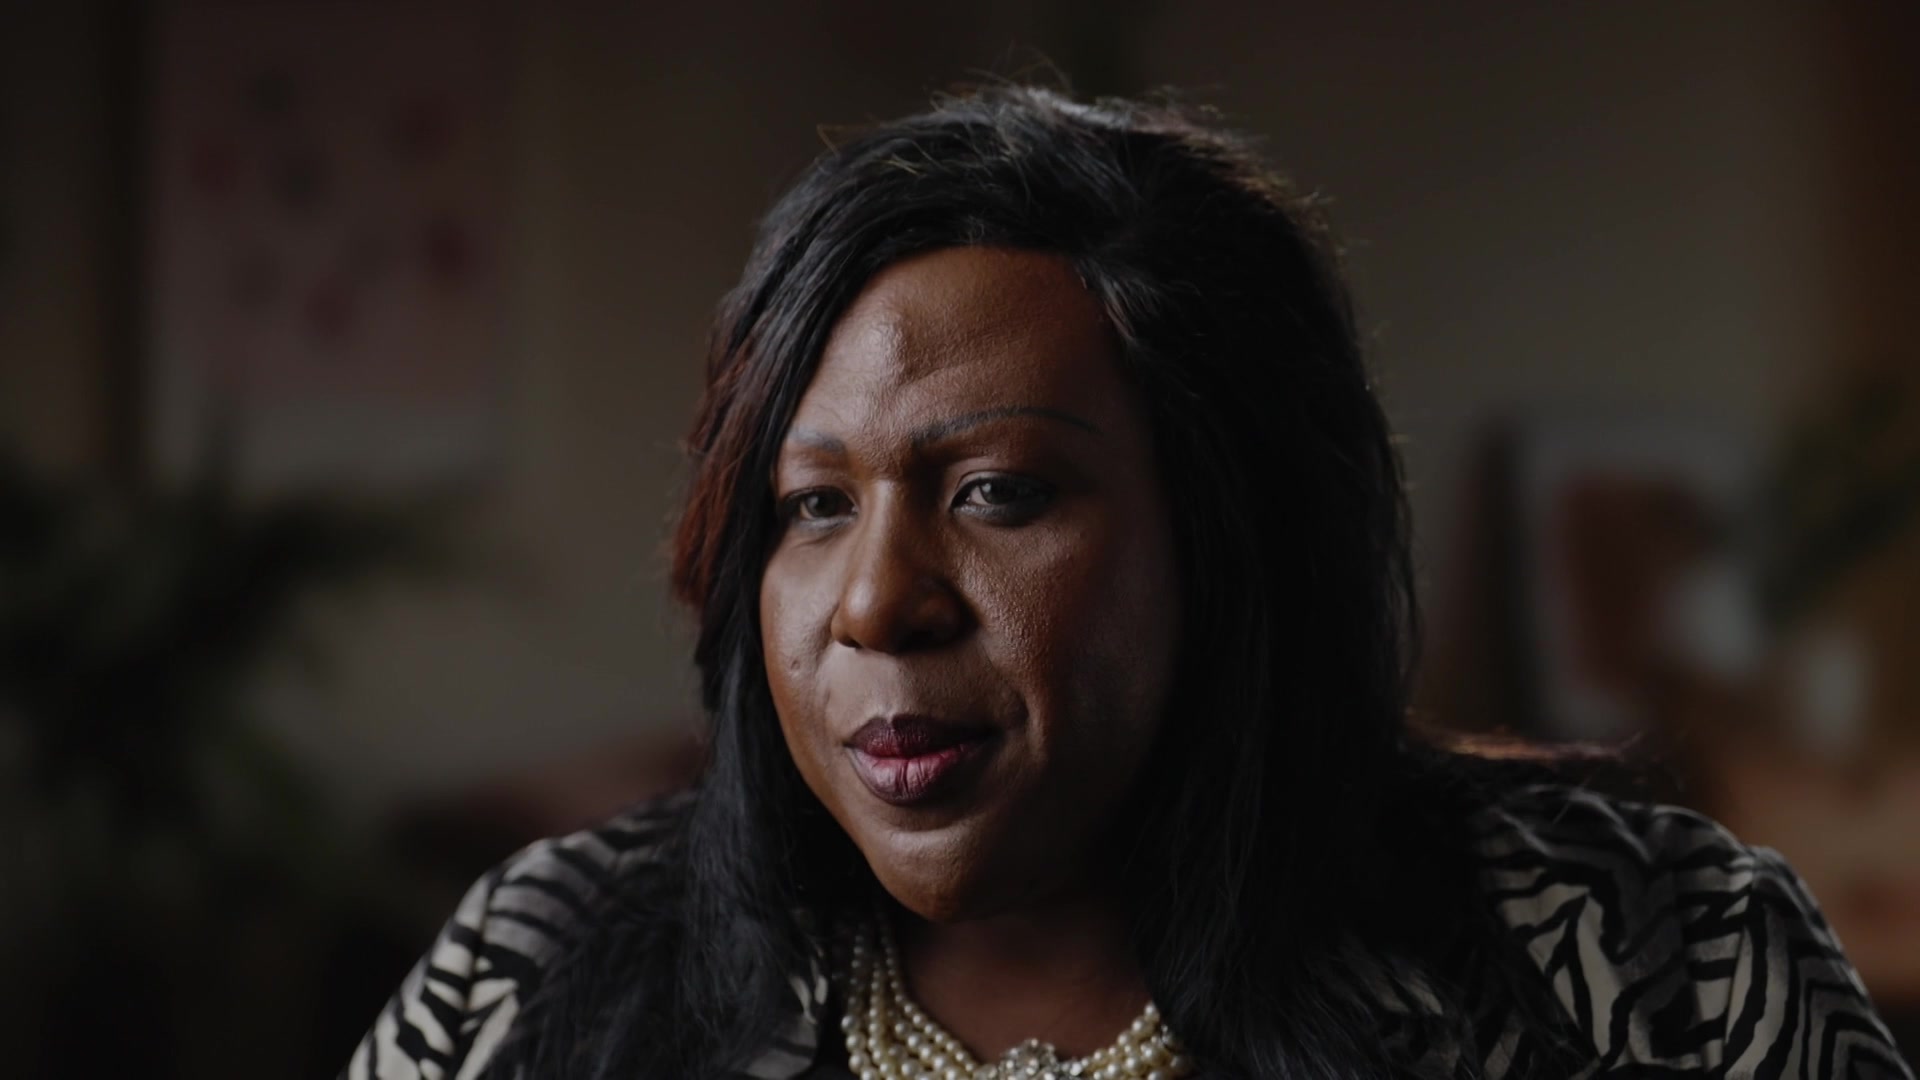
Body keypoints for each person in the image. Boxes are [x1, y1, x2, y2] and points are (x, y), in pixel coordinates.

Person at [345, 86, 1910, 1079]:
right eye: (813, 506)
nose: (875, 602)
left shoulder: (1659, 973)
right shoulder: (542, 969)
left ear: (1233, 530)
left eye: (997, 494)